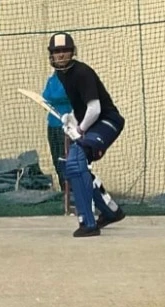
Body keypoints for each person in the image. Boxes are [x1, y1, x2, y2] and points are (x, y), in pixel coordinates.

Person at [48, 32, 126, 237]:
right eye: (57, 52)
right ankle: (110, 211)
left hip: (107, 121)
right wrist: (70, 119)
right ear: (52, 56)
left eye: (65, 51)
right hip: (92, 124)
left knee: (75, 159)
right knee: (74, 166)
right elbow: (82, 108)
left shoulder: (81, 72)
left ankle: (88, 223)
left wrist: (80, 129)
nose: (61, 55)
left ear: (72, 52)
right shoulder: (62, 75)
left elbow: (95, 108)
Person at [41, 72, 72, 191]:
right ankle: (65, 192)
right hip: (52, 125)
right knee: (57, 160)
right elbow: (45, 96)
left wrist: (53, 99)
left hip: (67, 127)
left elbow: (61, 95)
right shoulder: (52, 78)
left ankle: (75, 195)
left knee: (68, 161)